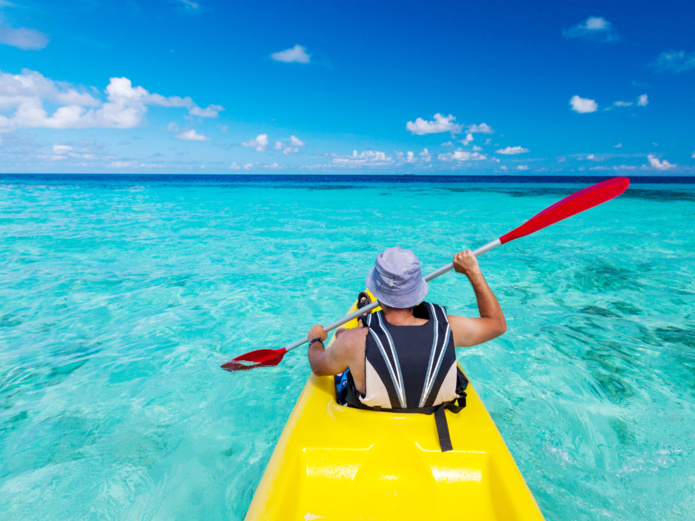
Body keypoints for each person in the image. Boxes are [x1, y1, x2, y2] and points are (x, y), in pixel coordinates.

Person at [306, 246, 506, 414]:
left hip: (370, 415)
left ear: (377, 292)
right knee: (352, 338)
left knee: (344, 336)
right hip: (434, 418)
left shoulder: (351, 342)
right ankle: (366, 324)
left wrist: (315, 341)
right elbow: (497, 324)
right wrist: (473, 272)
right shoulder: (452, 328)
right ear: (417, 290)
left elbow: (318, 366)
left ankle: (364, 322)